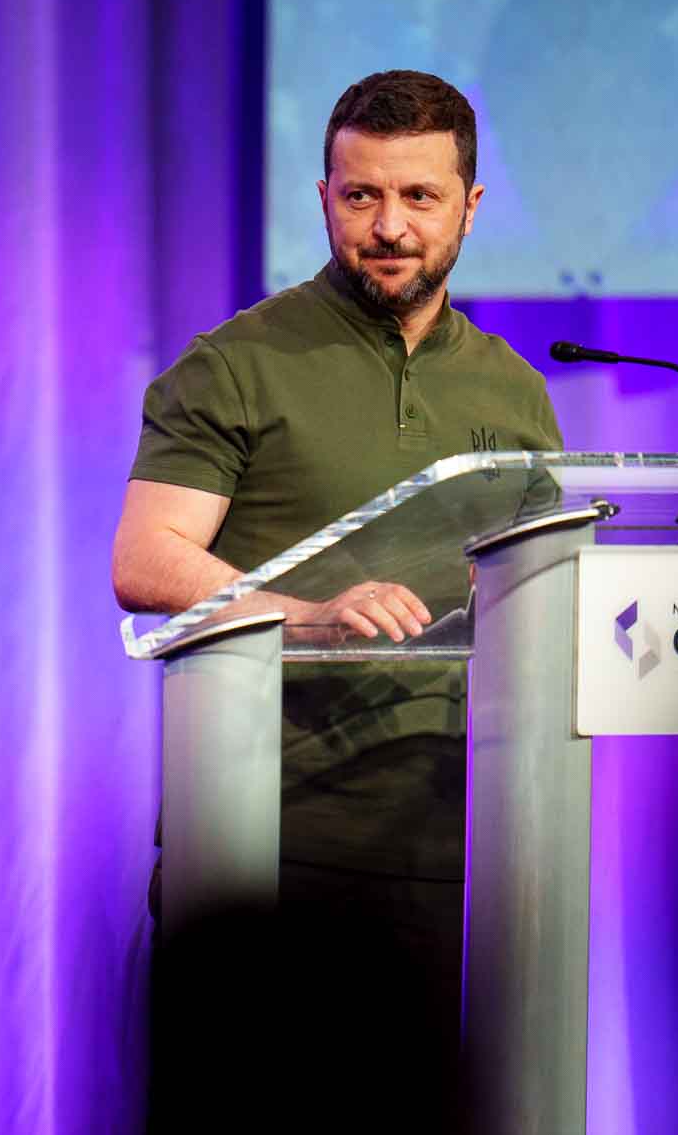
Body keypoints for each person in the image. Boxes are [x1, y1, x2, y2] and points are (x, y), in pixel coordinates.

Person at [111, 70, 563, 1016]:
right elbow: (146, 560)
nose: (389, 227)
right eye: (361, 195)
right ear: (325, 198)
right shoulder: (236, 364)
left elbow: (547, 589)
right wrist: (305, 612)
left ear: (470, 208)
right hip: (264, 846)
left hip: (460, 846)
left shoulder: (512, 389)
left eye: (419, 197)